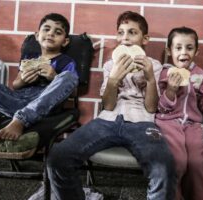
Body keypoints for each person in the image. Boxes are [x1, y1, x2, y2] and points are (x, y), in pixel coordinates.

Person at [47, 11, 176, 200]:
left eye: (132, 32)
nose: (125, 38)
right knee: (58, 157)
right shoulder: (110, 65)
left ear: (145, 39)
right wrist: (114, 79)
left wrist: (149, 79)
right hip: (107, 120)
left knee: (164, 166)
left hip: (142, 122)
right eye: (121, 33)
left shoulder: (154, 65)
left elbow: (151, 108)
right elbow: (107, 106)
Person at [0, 13, 79, 141]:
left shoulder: (67, 62)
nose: (51, 34)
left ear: (65, 41)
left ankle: (21, 121)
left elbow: (73, 92)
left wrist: (54, 77)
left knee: (68, 76)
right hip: (16, 100)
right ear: (37, 36)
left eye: (58, 32)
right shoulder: (28, 57)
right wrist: (23, 80)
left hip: (42, 105)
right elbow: (15, 85)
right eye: (46, 29)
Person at [155, 27, 203, 200]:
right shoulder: (163, 73)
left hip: (193, 125)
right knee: (177, 160)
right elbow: (159, 107)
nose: (184, 52)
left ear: (196, 51)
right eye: (178, 48)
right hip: (167, 123)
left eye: (189, 48)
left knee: (197, 163)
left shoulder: (200, 75)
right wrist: (170, 90)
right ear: (169, 51)